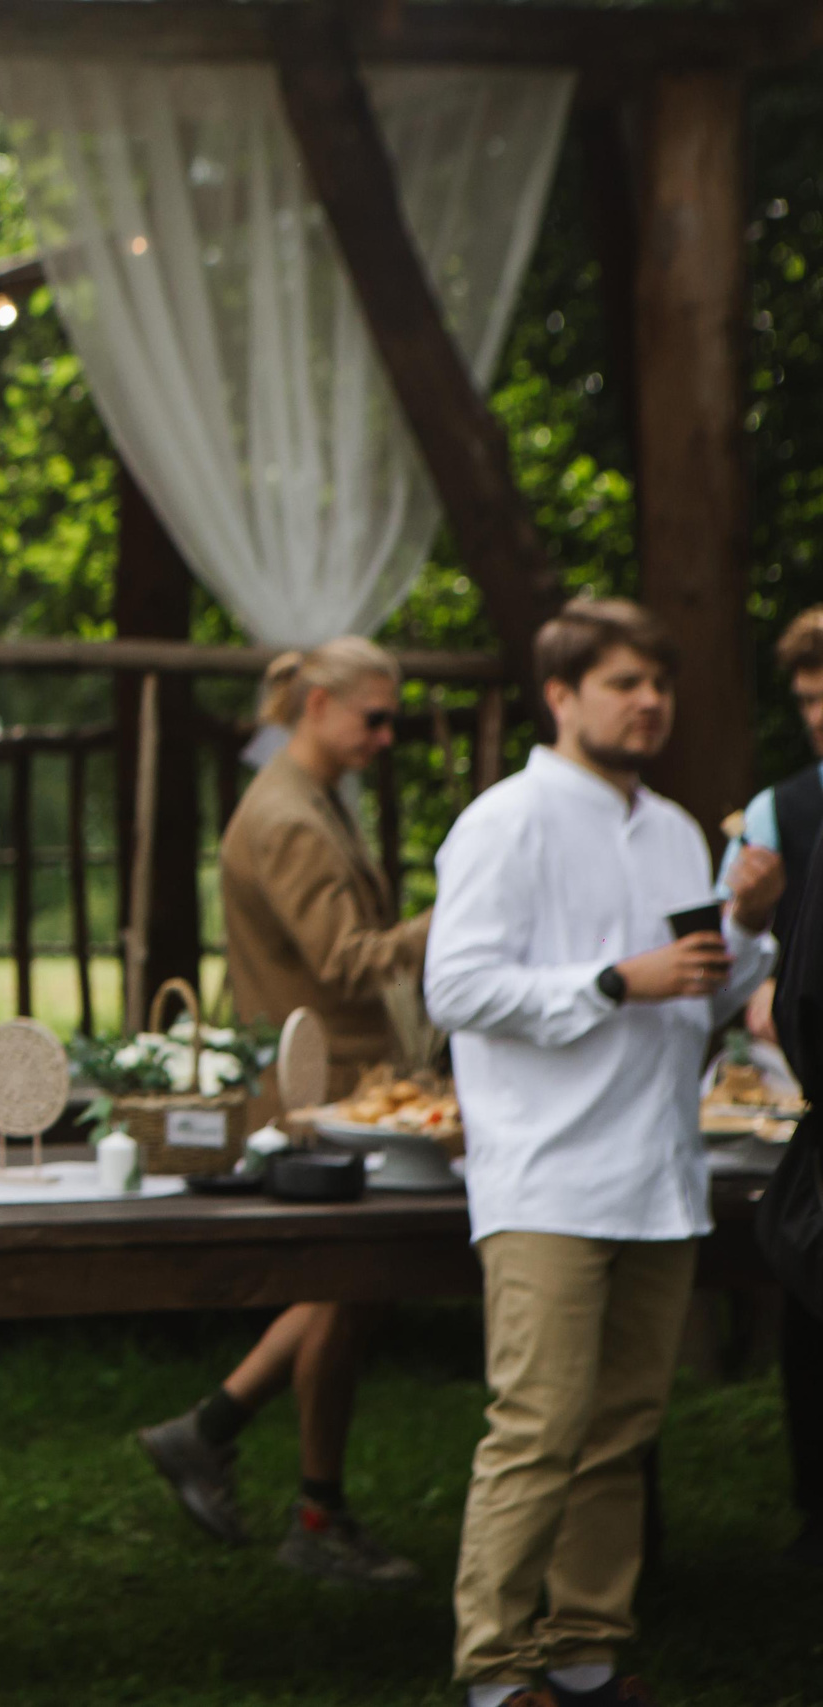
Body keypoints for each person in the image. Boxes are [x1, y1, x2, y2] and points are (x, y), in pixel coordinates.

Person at [426, 597, 784, 1707]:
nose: (648, 703)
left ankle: (582, 1654)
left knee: (620, 1431)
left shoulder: (676, 828)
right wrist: (607, 981)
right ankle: (493, 1671)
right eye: (624, 684)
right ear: (561, 695)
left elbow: (696, 993)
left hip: (656, 1171)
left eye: (657, 686)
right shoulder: (505, 820)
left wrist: (752, 927)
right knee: (536, 1426)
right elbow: (455, 988)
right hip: (543, 1173)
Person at [136, 637, 432, 1585]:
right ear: (314, 702)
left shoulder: (305, 798)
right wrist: (459, 918)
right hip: (328, 1095)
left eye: (393, 718)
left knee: (352, 1289)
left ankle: (213, 1435)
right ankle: (312, 1512)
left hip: (342, 1084)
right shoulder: (292, 816)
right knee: (350, 1288)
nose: (388, 736)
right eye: (373, 717)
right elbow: (347, 960)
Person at [717, 602, 823, 1569]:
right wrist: (751, 932)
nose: (821, 714)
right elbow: (724, 960)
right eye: (807, 699)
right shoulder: (776, 811)